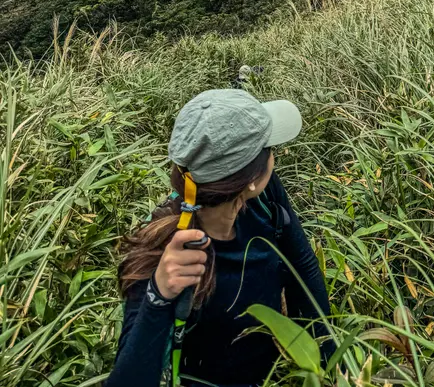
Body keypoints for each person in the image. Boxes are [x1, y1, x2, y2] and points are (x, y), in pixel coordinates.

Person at [106, 89, 331, 387]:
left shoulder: (265, 200)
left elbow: (302, 267)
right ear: (251, 180)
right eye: (269, 148)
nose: (274, 155)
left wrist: (329, 365)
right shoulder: (163, 253)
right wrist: (158, 296)